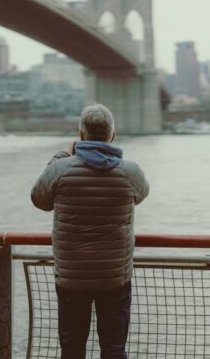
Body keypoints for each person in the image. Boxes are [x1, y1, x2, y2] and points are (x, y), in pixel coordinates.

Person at [31, 103, 150, 359]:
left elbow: (39, 200)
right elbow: (139, 196)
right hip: (114, 277)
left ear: (81, 135)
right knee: (114, 349)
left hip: (72, 277)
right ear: (113, 134)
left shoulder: (60, 170)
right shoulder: (131, 172)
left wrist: (61, 157)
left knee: (72, 349)